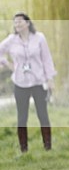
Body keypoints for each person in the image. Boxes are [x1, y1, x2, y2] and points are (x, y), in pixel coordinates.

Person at [0, 13, 56, 152]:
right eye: (15, 22)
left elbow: (46, 59)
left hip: (38, 81)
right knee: (22, 117)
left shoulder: (39, 38)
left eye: (20, 22)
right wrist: (7, 64)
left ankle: (48, 147)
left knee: (43, 115)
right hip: (20, 83)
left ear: (28, 23)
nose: (17, 24)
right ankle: (24, 149)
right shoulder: (12, 40)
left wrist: (50, 79)